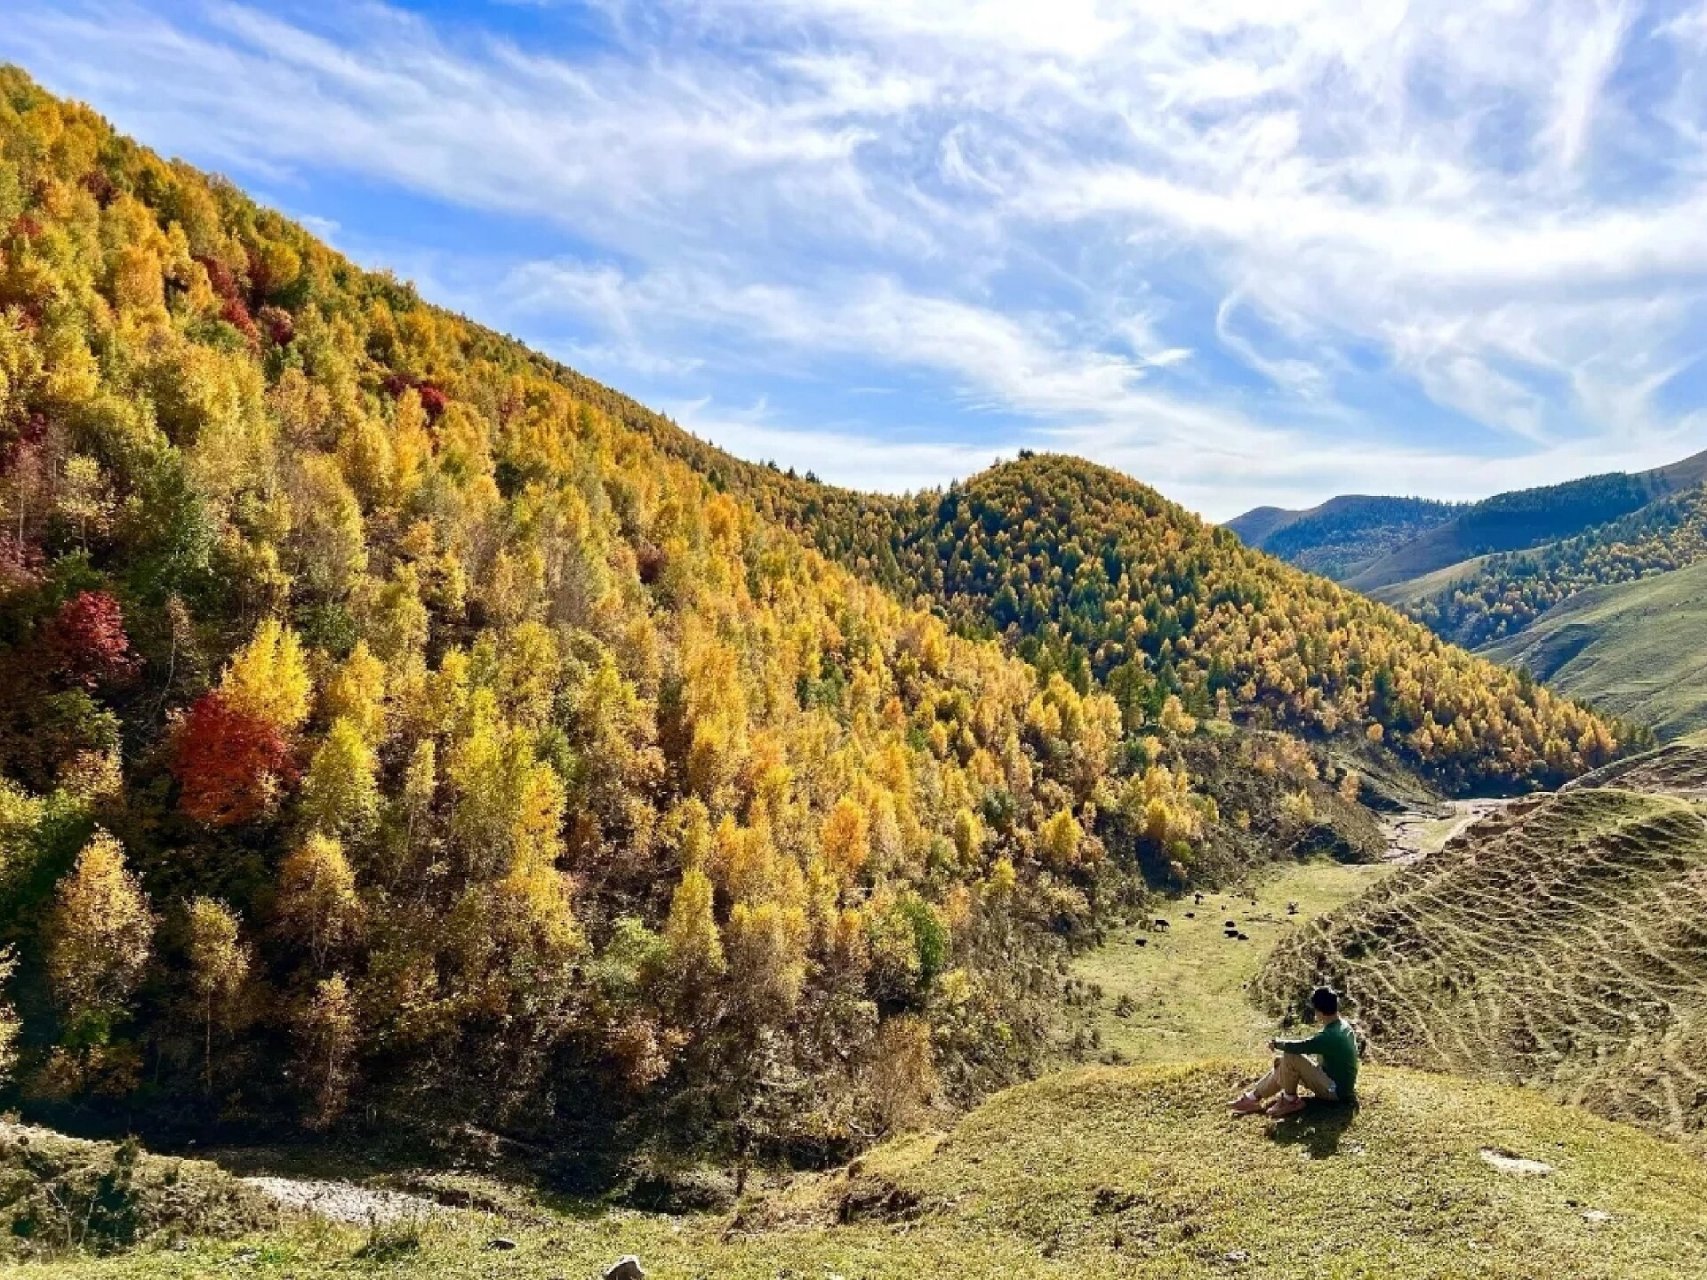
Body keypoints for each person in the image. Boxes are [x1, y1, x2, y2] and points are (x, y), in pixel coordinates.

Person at [1230, 986, 1357, 1117]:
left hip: (1334, 1090)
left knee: (1290, 1056)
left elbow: (1302, 1046)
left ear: (1319, 1012)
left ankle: (1290, 1101)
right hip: (1335, 1082)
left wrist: (1277, 1043)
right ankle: (1253, 1098)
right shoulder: (1342, 1026)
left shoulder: (1331, 1036)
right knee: (1283, 1063)